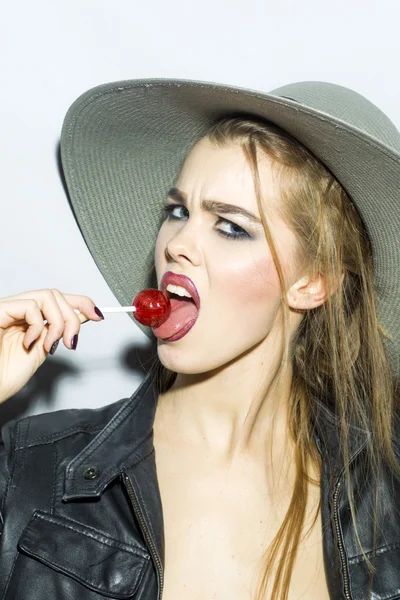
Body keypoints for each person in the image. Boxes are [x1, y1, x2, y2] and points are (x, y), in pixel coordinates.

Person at [0, 77, 399, 600]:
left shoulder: (386, 495)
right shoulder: (30, 471)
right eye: (178, 211)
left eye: (231, 226)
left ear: (312, 282)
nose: (178, 244)